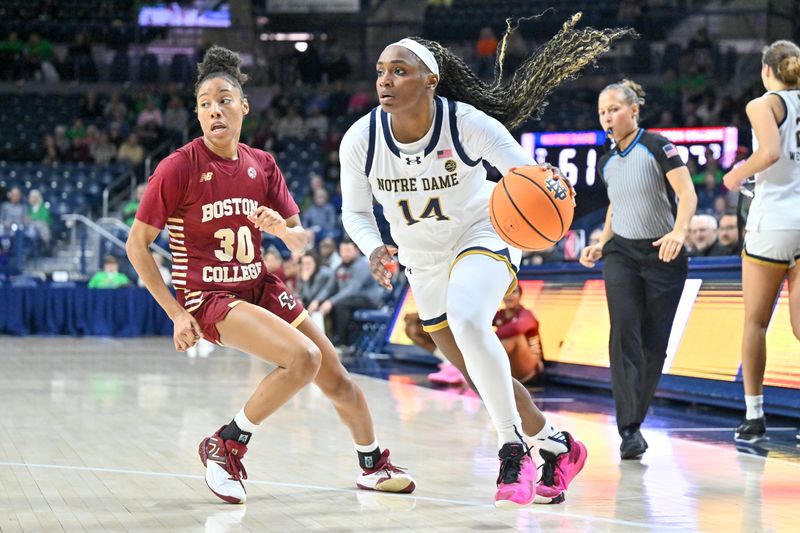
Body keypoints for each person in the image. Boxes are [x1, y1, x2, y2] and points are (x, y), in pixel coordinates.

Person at [340, 15, 631, 506]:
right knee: (479, 368)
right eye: (381, 71)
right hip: (423, 259)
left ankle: (510, 448)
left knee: (470, 320)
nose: (385, 81)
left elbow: (522, 173)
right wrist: (373, 247)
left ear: (430, 80)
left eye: (399, 71)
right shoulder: (361, 139)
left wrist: (548, 189)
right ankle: (558, 446)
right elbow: (354, 211)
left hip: (484, 232)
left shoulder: (465, 123)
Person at [126, 46, 414, 505]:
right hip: (210, 296)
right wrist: (177, 313)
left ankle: (372, 464)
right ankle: (227, 444)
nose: (214, 109)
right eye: (204, 103)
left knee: (336, 377)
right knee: (302, 359)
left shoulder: (263, 164)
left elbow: (300, 242)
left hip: (260, 286)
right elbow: (136, 246)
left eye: (223, 99)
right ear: (198, 116)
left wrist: (283, 231)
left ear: (244, 106)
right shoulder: (178, 167)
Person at [580, 79, 697, 459]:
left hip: (664, 254)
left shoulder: (658, 145)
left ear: (633, 110)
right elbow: (616, 205)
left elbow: (687, 193)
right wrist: (601, 243)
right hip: (621, 255)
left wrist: (679, 233)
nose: (607, 117)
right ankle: (628, 429)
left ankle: (637, 418)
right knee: (623, 331)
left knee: (653, 346)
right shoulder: (607, 161)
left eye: (613, 109)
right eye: (602, 112)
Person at [721, 40, 800, 444]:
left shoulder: (763, 103)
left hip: (773, 222)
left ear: (766, 70)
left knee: (755, 322)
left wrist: (736, 173)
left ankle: (754, 417)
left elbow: (769, 152)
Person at [308, 239, 383, 347]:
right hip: (350, 299)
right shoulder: (339, 267)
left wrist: (331, 301)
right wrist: (317, 300)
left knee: (339, 304)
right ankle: (329, 341)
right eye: (342, 250)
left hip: (368, 299)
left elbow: (352, 289)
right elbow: (329, 288)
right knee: (328, 305)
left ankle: (343, 343)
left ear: (356, 251)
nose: (345, 254)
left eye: (348, 250)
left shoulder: (362, 266)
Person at [493, 285, 545, 384]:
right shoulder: (500, 314)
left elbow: (517, 328)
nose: (509, 296)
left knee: (516, 337)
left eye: (514, 292)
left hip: (532, 370)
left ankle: (479, 372)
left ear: (520, 296)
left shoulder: (526, 314)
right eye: (506, 292)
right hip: (511, 370)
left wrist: (489, 336)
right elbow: (479, 325)